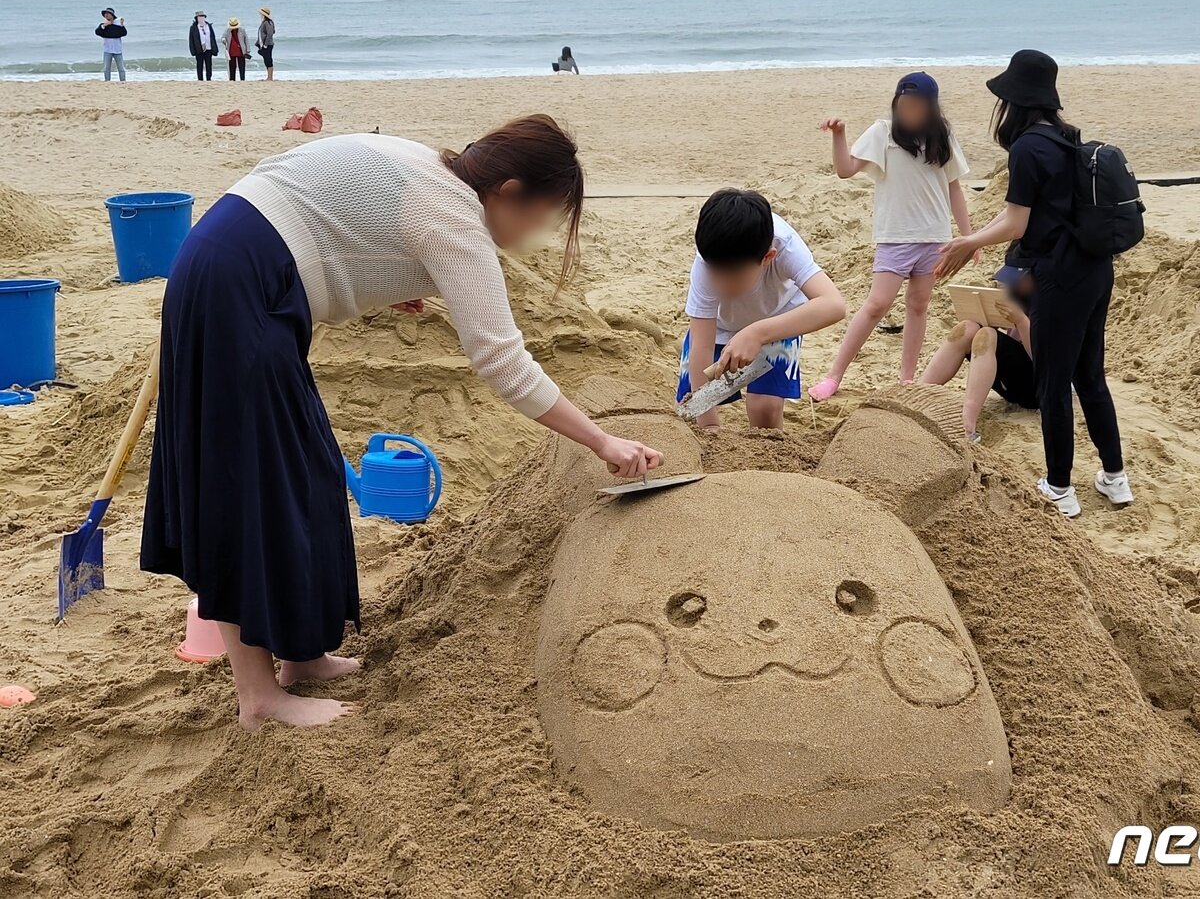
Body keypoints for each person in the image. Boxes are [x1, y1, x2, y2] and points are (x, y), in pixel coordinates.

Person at [141, 116, 663, 730]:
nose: (536, 236)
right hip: (238, 283)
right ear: (510, 190)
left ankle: (301, 659)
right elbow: (503, 362)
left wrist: (386, 277)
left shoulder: (428, 169)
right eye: (543, 216)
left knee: (307, 474)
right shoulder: (452, 217)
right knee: (252, 485)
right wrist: (600, 439)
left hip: (231, 259)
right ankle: (259, 697)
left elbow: (334, 212)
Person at [933, 50, 1131, 518]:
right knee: (1090, 377)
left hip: (1058, 276)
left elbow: (1019, 223)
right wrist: (975, 236)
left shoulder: (1026, 148)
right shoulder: (1067, 138)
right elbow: (1026, 212)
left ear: (1013, 102)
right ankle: (1115, 478)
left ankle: (1060, 486)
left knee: (1054, 382)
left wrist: (968, 243)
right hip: (1096, 268)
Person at [809, 71, 975, 401]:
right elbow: (845, 170)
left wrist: (968, 238)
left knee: (918, 305)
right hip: (895, 237)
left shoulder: (942, 137)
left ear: (930, 108)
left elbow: (954, 188)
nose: (909, 111)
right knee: (877, 305)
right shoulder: (883, 132)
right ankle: (834, 375)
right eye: (904, 104)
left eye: (916, 106)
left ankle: (907, 380)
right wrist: (839, 135)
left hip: (934, 238)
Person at [678, 189, 846, 430]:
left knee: (764, 409)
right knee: (693, 412)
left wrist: (756, 333)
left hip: (776, 320)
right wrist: (709, 428)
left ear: (768, 257)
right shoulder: (707, 263)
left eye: (734, 275)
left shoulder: (786, 246)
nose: (722, 284)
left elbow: (834, 305)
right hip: (721, 328)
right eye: (716, 272)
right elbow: (701, 344)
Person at [919, 246, 1036, 442]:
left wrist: (1021, 321)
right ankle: (919, 393)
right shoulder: (1018, 293)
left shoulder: (1051, 302)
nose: (1012, 286)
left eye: (1017, 280)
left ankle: (968, 426)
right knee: (967, 327)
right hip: (1014, 378)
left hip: (1041, 387)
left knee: (987, 335)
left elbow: (1046, 359)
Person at [95, 8, 127, 82]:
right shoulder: (103, 25)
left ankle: (123, 81)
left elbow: (124, 33)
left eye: (108, 14)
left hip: (117, 50)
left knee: (121, 68)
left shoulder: (117, 25)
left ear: (112, 15)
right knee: (106, 68)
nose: (106, 15)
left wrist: (122, 25)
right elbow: (97, 32)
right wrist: (105, 25)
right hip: (107, 50)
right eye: (105, 14)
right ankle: (107, 81)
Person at [188, 11, 218, 81]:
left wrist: (215, 48)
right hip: (199, 49)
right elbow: (191, 39)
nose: (201, 18)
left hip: (208, 48)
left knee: (209, 65)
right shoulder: (193, 27)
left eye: (203, 16)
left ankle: (208, 78)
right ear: (197, 18)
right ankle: (200, 79)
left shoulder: (208, 26)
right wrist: (192, 50)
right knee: (199, 65)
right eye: (200, 17)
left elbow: (213, 37)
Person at [223, 16, 251, 81]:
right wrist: (223, 40)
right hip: (231, 51)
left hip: (241, 51)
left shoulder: (242, 30)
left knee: (242, 66)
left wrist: (248, 50)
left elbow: (246, 40)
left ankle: (242, 79)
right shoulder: (227, 30)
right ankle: (232, 79)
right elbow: (223, 37)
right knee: (232, 67)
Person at [256, 7, 276, 81]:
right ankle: (269, 77)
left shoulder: (268, 22)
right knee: (266, 60)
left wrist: (265, 44)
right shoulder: (265, 22)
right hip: (264, 44)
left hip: (267, 44)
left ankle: (270, 77)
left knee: (268, 60)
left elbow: (270, 33)